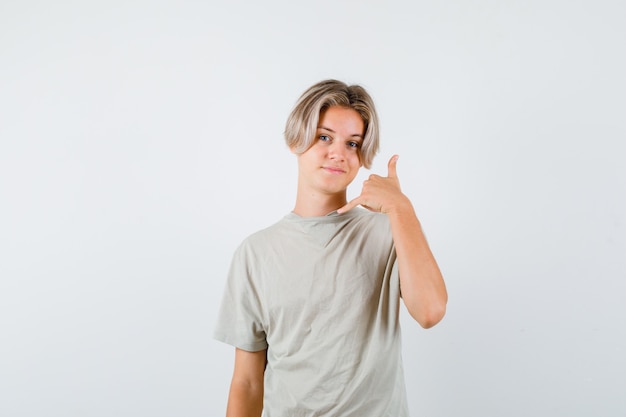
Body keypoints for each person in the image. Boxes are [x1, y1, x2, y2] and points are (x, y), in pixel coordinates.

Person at [214, 79, 448, 417]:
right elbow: (248, 383)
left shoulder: (390, 231)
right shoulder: (256, 253)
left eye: (353, 143)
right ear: (296, 140)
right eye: (324, 137)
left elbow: (430, 312)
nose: (339, 153)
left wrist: (401, 207)